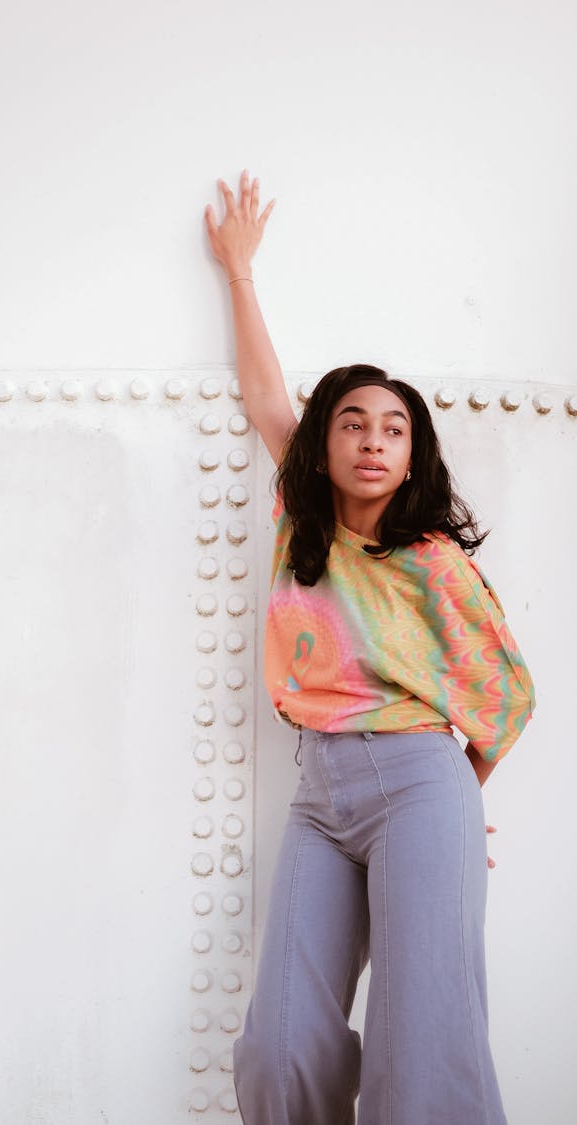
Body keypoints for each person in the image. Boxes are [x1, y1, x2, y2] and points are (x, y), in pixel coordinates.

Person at [203, 170, 535, 1125]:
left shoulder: (433, 563)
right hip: (321, 793)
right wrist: (240, 271)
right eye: (352, 423)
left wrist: (460, 794)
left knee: (420, 1047)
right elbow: (268, 395)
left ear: (412, 451)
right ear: (325, 445)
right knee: (277, 1048)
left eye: (394, 427)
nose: (372, 440)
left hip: (421, 782)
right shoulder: (302, 518)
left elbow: (506, 690)